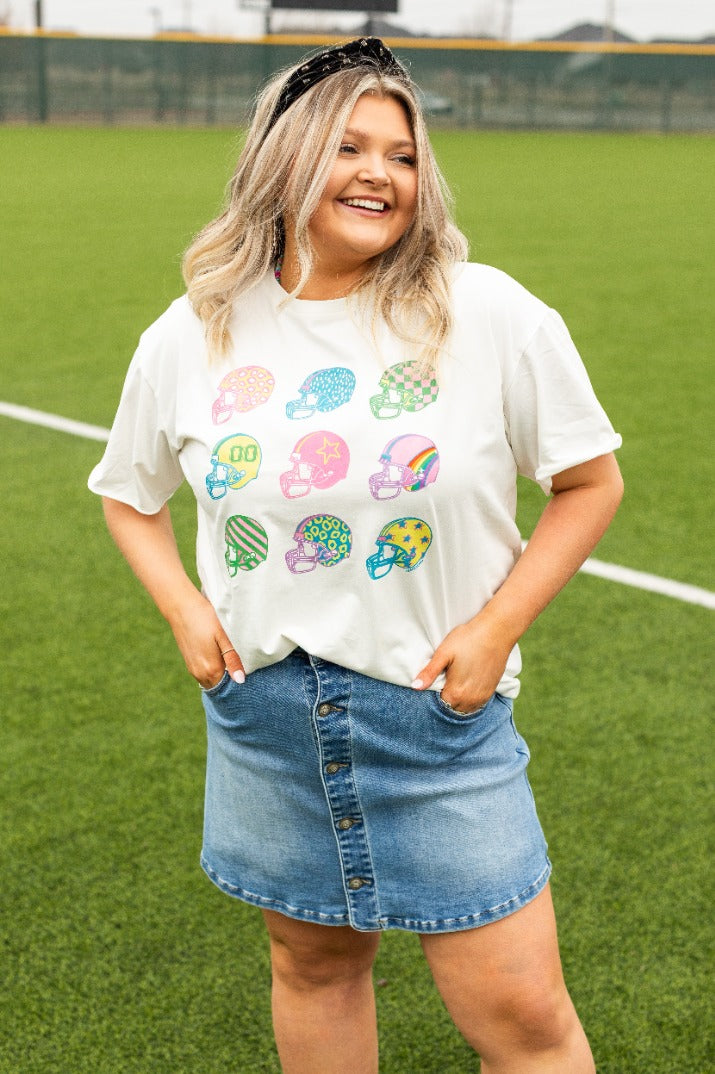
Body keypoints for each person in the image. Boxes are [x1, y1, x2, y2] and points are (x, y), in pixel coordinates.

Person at [89, 37, 623, 1074]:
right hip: (265, 722)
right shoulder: (194, 329)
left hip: (435, 720)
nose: (382, 172)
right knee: (313, 967)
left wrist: (492, 630)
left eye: (404, 154)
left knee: (521, 1021)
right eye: (349, 146)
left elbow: (589, 483)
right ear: (283, 159)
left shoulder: (488, 313)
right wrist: (184, 610)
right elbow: (126, 496)